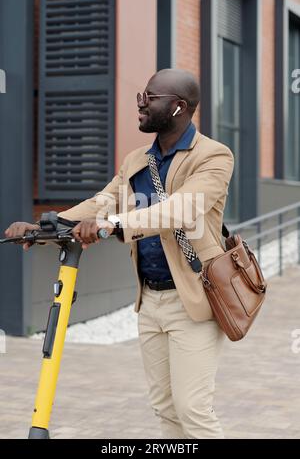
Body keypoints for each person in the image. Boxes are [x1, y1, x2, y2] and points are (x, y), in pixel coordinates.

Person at [5, 69, 234, 439]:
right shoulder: (136, 161)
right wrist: (46, 225)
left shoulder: (214, 156)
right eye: (141, 93)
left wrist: (113, 224)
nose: (141, 101)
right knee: (165, 408)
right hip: (150, 301)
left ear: (178, 107)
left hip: (194, 300)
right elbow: (103, 201)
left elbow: (180, 209)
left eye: (151, 96)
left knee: (193, 409)